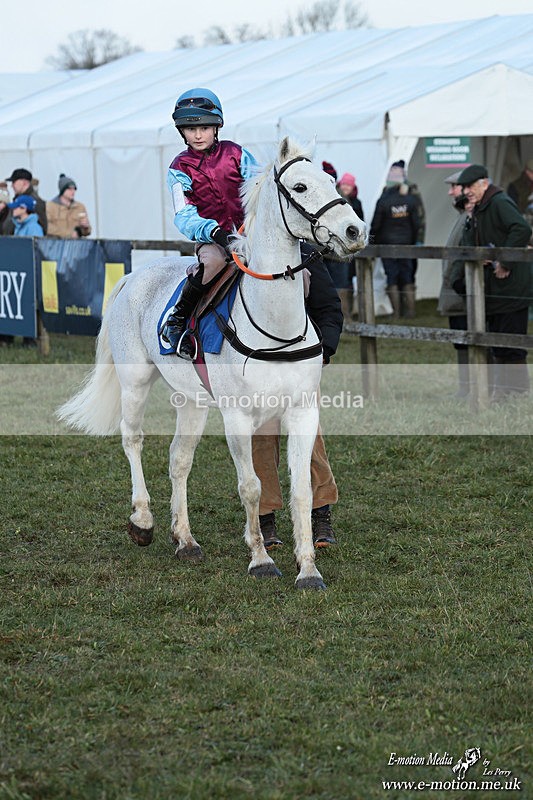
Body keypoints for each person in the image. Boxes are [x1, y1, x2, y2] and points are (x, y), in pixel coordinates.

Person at [253, 245, 343, 549]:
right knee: (262, 439)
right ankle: (265, 518)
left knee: (311, 440)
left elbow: (329, 308)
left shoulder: (305, 256)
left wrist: (324, 352)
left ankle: (321, 513)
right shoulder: (253, 257)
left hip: (300, 364)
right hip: (259, 366)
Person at [160, 88, 259, 359]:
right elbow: (183, 214)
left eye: (205, 127)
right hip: (212, 240)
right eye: (191, 130)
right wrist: (214, 231)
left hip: (250, 234)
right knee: (214, 263)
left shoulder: (236, 154)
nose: (198, 135)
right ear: (182, 132)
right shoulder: (179, 167)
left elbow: (259, 188)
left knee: (301, 270)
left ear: (217, 127)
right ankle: (178, 320)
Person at [450, 164, 532, 400]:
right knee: (497, 341)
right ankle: (502, 389)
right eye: (464, 188)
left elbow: (521, 228)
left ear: (484, 183)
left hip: (511, 286)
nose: (467, 192)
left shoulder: (499, 202)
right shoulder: (479, 208)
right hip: (494, 288)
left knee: (510, 342)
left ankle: (515, 391)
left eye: (470, 187)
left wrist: (504, 261)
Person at [437, 171, 475, 398]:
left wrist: (457, 281)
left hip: (464, 293)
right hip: (457, 294)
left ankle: (473, 389)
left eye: (454, 187)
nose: (450, 192)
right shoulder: (462, 216)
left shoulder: (470, 216)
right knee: (460, 342)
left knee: (469, 341)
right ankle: (466, 388)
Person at [369, 163, 423, 318]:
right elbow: (417, 223)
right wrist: (412, 241)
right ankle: (411, 312)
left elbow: (376, 225)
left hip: (387, 246)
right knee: (407, 275)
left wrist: (373, 244)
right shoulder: (411, 200)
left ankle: (397, 313)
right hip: (407, 245)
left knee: (392, 277)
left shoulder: (383, 201)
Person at [46, 174, 92, 238]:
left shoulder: (80, 207)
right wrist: (69, 234)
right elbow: (47, 227)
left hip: (76, 245)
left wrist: (85, 228)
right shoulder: (50, 206)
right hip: (57, 245)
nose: (73, 192)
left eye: (74, 189)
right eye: (70, 189)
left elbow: (87, 231)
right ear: (62, 190)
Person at [4, 168, 47, 235]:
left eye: (14, 182)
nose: (12, 186)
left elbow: (42, 228)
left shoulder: (36, 202)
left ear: (24, 182)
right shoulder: (17, 199)